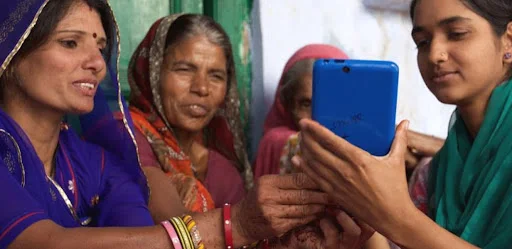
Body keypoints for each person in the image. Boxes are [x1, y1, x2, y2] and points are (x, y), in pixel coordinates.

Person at [0, 0, 372, 248]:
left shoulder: (99, 162)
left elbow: (147, 238)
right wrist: (234, 225)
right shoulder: (129, 147)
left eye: (100, 46)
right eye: (69, 43)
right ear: (11, 52)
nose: (97, 62)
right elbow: (43, 243)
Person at [294, 0, 512, 248]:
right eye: (422, 42)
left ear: (508, 41)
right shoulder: (443, 167)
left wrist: (394, 215)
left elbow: (401, 222)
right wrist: (366, 214)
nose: (435, 54)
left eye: (456, 34)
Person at [128, 14, 250, 213]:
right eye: (184, 69)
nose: (202, 88)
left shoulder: (223, 173)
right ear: (153, 74)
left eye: (216, 76)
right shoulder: (125, 133)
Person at [253, 44, 348, 179]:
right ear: (287, 105)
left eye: (331, 103)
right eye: (306, 104)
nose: (317, 118)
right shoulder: (275, 142)